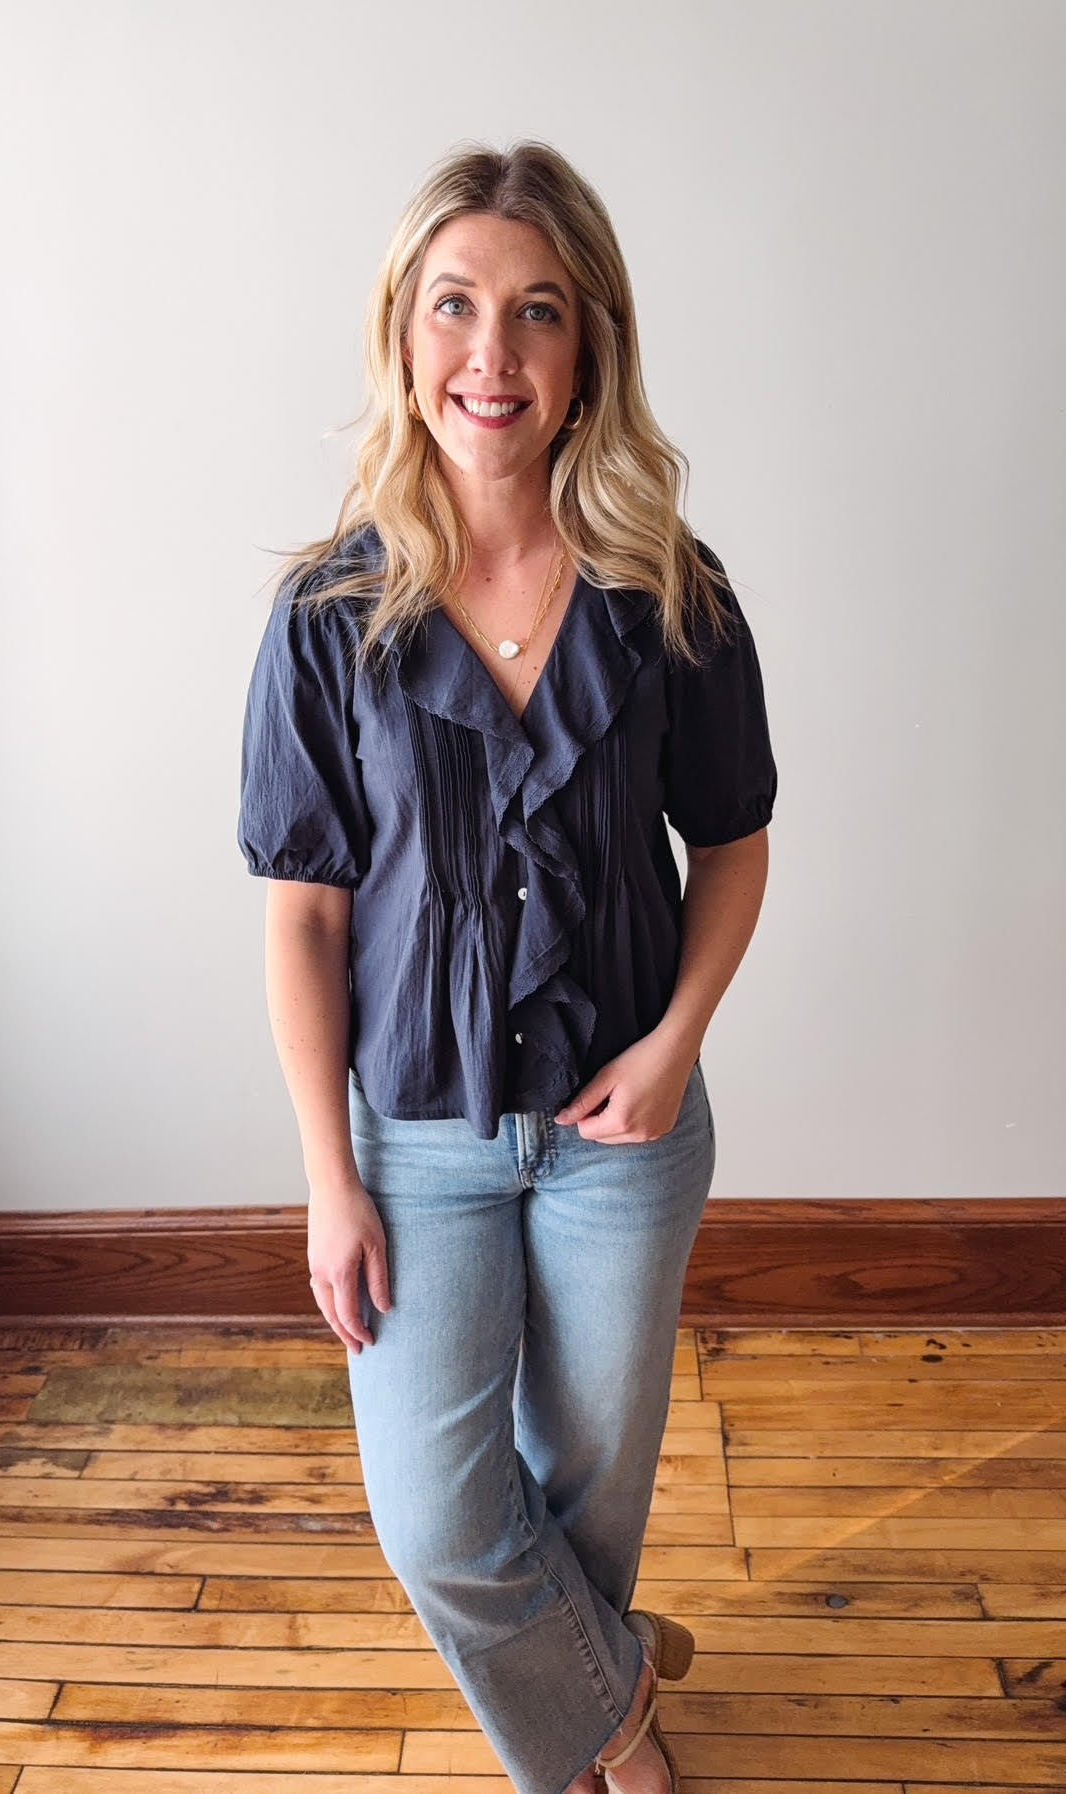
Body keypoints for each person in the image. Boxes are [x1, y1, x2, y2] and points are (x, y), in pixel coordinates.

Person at [238, 140, 777, 1794]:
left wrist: (681, 1036)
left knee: (587, 1487)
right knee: (440, 1513)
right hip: (418, 1137)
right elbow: (306, 918)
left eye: (538, 312)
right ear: (405, 335)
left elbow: (734, 845)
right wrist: (330, 1178)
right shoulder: (329, 619)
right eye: (457, 305)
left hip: (627, 1132)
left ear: (588, 348)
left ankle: (590, 1700)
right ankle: (617, 1712)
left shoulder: (671, 595)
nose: (495, 352)